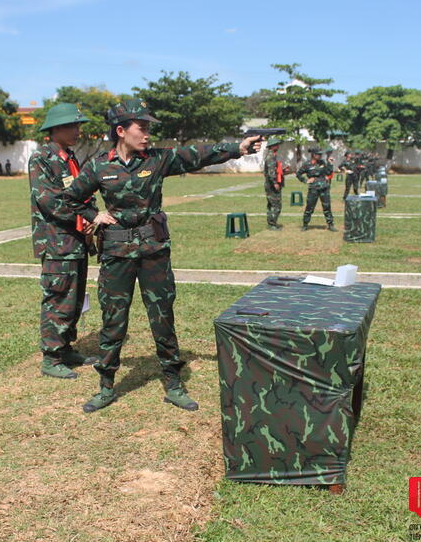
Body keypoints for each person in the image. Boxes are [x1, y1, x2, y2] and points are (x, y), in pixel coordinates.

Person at [65, 99, 261, 413]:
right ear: (121, 131)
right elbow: (71, 197)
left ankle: (173, 382)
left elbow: (198, 154)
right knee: (113, 318)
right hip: (116, 253)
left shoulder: (158, 160)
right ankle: (106, 386)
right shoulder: (100, 166)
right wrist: (94, 214)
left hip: (153, 250)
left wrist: (238, 147)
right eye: (141, 128)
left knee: (162, 316)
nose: (147, 134)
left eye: (147, 128)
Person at [28, 103, 100, 379]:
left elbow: (80, 193)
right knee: (58, 298)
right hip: (58, 243)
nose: (77, 130)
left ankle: (66, 347)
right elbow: (51, 202)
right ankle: (52, 356)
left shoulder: (68, 156)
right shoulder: (41, 158)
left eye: (78, 125)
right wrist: (89, 218)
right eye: (72, 125)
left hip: (76, 241)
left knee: (74, 297)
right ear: (55, 129)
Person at [296, 148, 336, 231]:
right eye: (319, 154)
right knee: (309, 207)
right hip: (313, 189)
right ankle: (305, 224)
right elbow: (298, 174)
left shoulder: (322, 162)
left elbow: (328, 172)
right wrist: (306, 180)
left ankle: (330, 224)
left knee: (327, 206)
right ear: (314, 155)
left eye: (321, 154)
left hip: (324, 188)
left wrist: (330, 163)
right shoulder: (307, 164)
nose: (320, 156)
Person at [263, 137, 288, 230]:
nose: (278, 146)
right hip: (271, 185)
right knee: (276, 205)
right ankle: (272, 224)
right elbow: (271, 172)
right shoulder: (271, 157)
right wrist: (275, 183)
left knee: (271, 205)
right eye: (276, 144)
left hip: (270, 184)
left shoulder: (272, 155)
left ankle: (271, 223)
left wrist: (283, 171)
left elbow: (274, 170)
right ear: (272, 146)